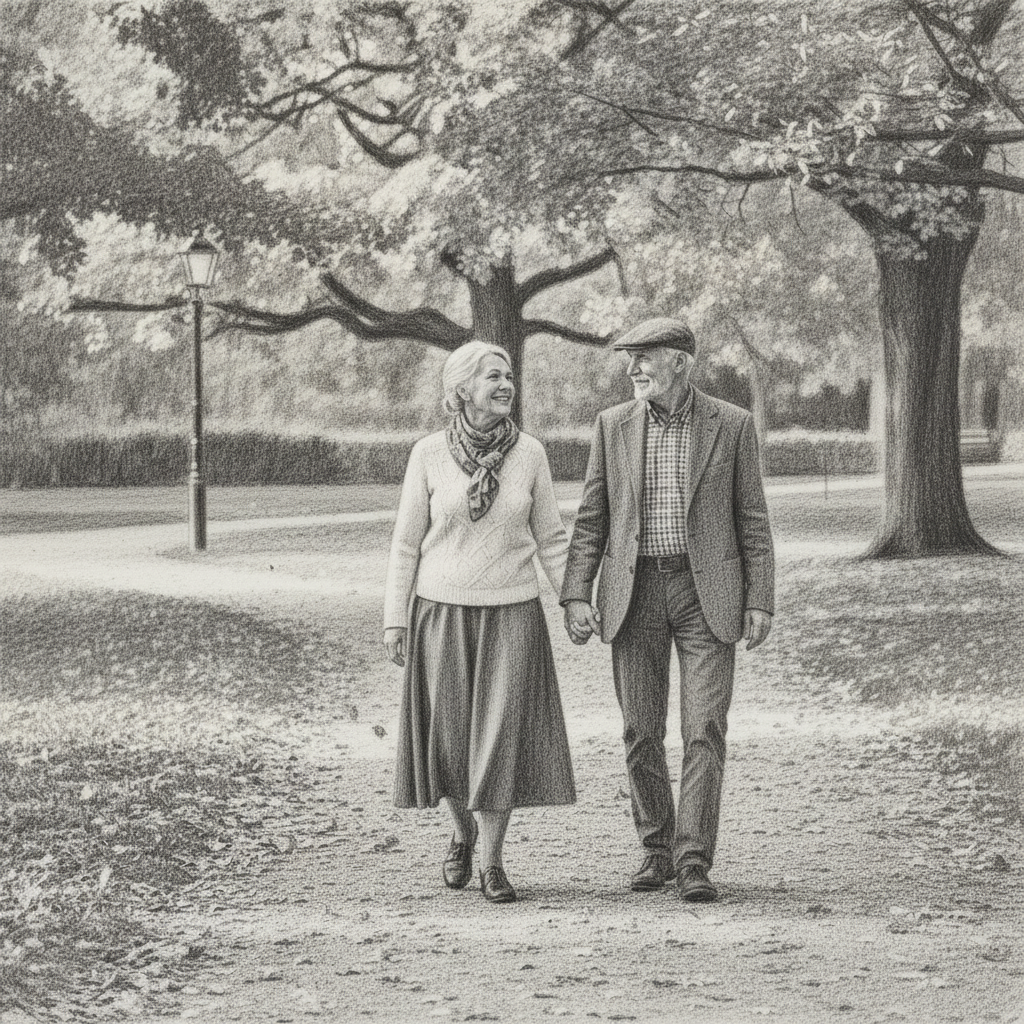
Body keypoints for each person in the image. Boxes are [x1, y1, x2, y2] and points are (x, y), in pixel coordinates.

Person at [560, 317, 774, 902]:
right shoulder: (612, 425)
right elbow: (592, 518)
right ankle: (656, 850)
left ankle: (693, 859)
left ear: (680, 360)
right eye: (629, 358)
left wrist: (760, 600)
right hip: (636, 593)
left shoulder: (731, 425)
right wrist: (576, 591)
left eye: (644, 357)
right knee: (639, 730)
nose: (633, 369)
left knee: (704, 726)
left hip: (708, 594)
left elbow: (752, 521)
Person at [383, 340, 575, 905]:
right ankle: (462, 833)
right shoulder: (427, 454)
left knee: (499, 739)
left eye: (509, 375)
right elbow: (405, 544)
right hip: (439, 612)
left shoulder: (532, 453)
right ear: (462, 390)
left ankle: (492, 861)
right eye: (493, 376)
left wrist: (575, 603)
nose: (506, 385)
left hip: (513, 613)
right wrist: (396, 619)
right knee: (448, 742)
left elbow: (551, 540)